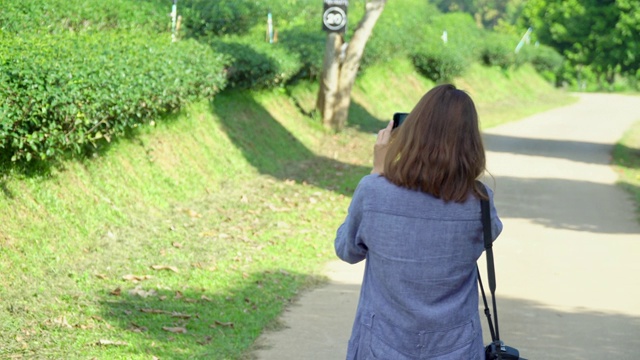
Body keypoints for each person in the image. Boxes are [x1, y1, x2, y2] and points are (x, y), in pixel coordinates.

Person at [334, 84, 502, 359]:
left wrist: (378, 172)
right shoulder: (480, 200)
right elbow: (487, 237)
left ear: (411, 132)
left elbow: (347, 250)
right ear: (470, 142)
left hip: (381, 345)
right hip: (457, 346)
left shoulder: (374, 191)